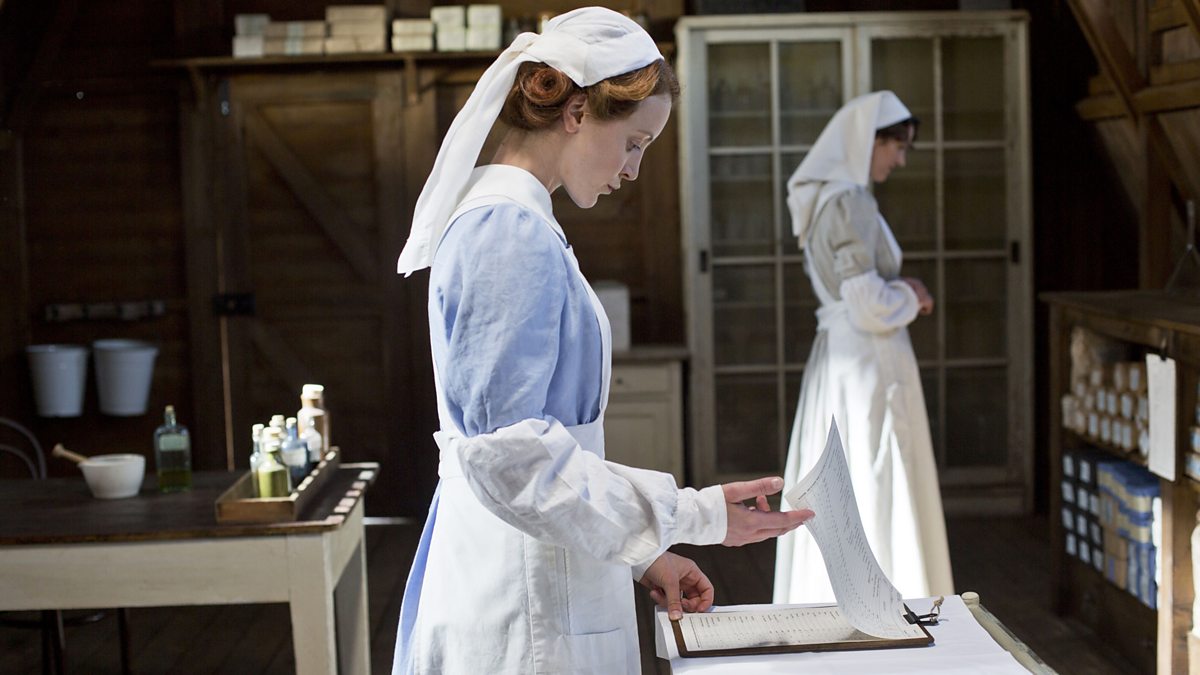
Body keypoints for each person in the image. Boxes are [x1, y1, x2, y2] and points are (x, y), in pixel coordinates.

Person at [392, 8, 813, 674]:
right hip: (522, 593)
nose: (634, 168)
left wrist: (643, 553)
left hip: (545, 564)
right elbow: (514, 459)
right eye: (635, 142)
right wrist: (694, 513)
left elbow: (541, 457)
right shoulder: (507, 232)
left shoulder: (522, 221)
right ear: (577, 111)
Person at [773, 91, 954, 604]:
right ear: (869, 141)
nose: (900, 159)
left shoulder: (828, 199)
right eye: (897, 146)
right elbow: (866, 303)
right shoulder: (849, 201)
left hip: (843, 357)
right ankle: (883, 594)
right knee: (871, 467)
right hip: (865, 360)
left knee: (850, 470)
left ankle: (852, 593)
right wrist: (911, 295)